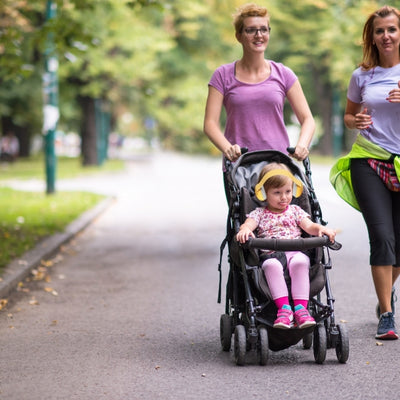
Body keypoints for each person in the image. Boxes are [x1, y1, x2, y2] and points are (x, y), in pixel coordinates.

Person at [330, 6, 400, 340]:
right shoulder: (362, 75)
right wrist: (354, 121)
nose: (385, 36)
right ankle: (387, 313)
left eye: (391, 29)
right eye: (379, 31)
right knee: (382, 237)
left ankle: (385, 294)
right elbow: (348, 115)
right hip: (369, 160)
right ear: (371, 37)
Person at [203, 3, 315, 164]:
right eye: (251, 30)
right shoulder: (222, 75)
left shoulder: (284, 74)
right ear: (238, 36)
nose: (259, 35)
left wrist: (302, 145)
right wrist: (227, 147)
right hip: (239, 165)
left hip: (278, 164)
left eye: (264, 29)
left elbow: (307, 119)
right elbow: (210, 123)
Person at [237, 163, 336, 329]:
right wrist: (244, 230)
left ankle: (300, 309)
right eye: (277, 193)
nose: (284, 197)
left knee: (300, 262)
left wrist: (321, 228)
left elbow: (309, 226)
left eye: (288, 192)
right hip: (271, 254)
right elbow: (247, 225)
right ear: (264, 193)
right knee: (271, 265)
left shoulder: (295, 210)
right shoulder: (259, 213)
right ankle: (284, 310)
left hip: (294, 251)